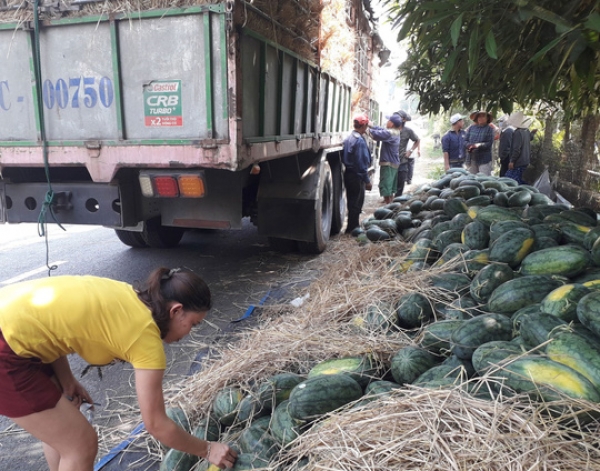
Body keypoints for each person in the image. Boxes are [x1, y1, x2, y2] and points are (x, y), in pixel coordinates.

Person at [0, 268, 237, 471]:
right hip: (7, 346)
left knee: (64, 429)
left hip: (14, 327)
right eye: (193, 324)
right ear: (175, 310)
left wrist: (66, 378)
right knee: (81, 444)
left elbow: (53, 322)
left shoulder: (130, 296)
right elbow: (155, 424)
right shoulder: (144, 339)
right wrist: (207, 449)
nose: (189, 333)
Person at [342, 115, 372, 233]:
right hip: (356, 175)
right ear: (363, 125)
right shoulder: (359, 140)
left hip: (349, 173)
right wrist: (367, 180)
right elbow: (360, 163)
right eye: (366, 125)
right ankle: (353, 228)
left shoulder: (350, 137)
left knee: (351, 200)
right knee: (357, 202)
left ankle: (352, 226)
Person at [368, 114, 402, 204]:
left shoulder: (390, 133)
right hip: (393, 163)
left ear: (392, 124)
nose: (387, 122)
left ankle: (388, 207)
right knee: (390, 187)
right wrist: (372, 125)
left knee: (386, 187)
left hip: (388, 164)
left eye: (389, 121)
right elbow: (381, 130)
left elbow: (375, 135)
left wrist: (364, 128)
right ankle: (390, 205)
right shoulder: (395, 132)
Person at [394, 112, 420, 196]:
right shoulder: (390, 130)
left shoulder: (408, 131)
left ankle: (396, 205)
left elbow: (417, 140)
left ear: (403, 120)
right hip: (391, 163)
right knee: (390, 187)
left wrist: (410, 151)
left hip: (402, 162)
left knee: (400, 187)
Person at [465, 110, 495, 175]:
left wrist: (479, 145)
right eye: (479, 116)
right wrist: (469, 145)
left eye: (483, 116)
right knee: (472, 180)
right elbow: (465, 141)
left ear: (487, 118)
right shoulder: (471, 128)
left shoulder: (489, 129)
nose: (480, 118)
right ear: (476, 118)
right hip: (472, 159)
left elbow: (489, 143)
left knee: (484, 180)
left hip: (484, 160)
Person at [505, 114, 533, 184]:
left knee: (511, 182)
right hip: (525, 161)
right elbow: (531, 138)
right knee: (521, 181)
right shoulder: (526, 131)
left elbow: (516, 149)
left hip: (518, 162)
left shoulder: (517, 133)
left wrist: (512, 161)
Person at [498, 113, 517, 177]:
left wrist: (503, 157)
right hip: (508, 158)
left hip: (507, 159)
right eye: (499, 121)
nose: (500, 123)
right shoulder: (508, 130)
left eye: (501, 121)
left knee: (504, 178)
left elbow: (506, 146)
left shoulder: (508, 131)